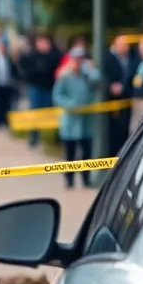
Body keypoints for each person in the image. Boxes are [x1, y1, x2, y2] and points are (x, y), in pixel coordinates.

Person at [52, 45, 103, 188]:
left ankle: (86, 178)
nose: (79, 62)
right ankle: (69, 179)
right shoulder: (65, 76)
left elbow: (99, 81)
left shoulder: (88, 75)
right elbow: (57, 96)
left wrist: (91, 69)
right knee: (70, 153)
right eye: (77, 59)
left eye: (82, 59)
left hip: (86, 121)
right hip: (71, 120)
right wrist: (71, 104)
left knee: (86, 151)